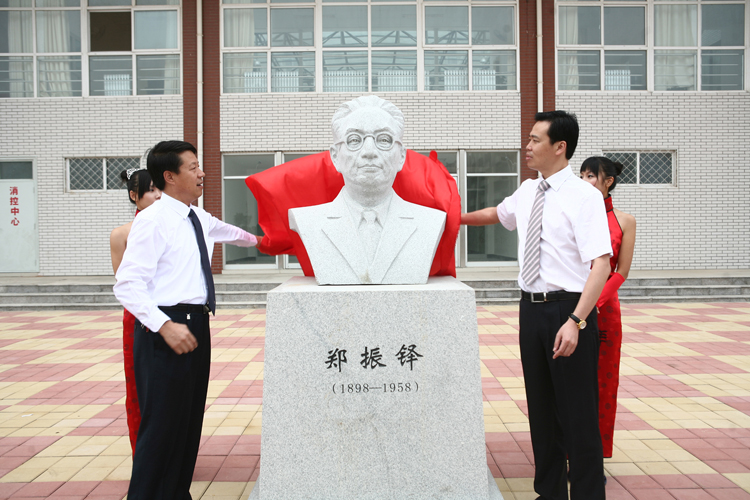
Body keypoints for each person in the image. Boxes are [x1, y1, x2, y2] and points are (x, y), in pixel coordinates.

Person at [461, 111, 612, 500]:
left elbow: (601, 265)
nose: (527, 146)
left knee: (578, 415)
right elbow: (497, 214)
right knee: (542, 413)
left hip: (569, 311)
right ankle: (549, 493)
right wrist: (451, 218)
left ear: (559, 147)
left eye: (534, 140)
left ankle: (588, 494)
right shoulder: (530, 190)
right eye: (528, 139)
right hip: (531, 310)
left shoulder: (585, 197)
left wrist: (576, 320)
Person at [113, 140, 260, 499]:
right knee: (161, 427)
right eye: (193, 167)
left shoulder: (196, 216)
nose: (202, 173)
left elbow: (237, 236)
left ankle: (175, 493)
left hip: (196, 325)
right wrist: (164, 325)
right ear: (169, 175)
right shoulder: (152, 221)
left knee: (188, 422)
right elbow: (127, 285)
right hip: (166, 329)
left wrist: (274, 240)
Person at [289, 96, 446, 285]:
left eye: (384, 139)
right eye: (354, 140)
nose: (369, 151)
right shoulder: (308, 220)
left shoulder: (430, 221)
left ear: (402, 156)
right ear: (335, 157)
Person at [580, 156, 636, 460]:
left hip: (604, 312)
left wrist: (596, 301)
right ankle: (568, 451)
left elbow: (621, 271)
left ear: (608, 182)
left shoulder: (625, 221)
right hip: (573, 306)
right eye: (582, 175)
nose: (584, 181)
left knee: (603, 383)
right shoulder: (576, 214)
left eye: (590, 176)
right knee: (574, 383)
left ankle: (595, 458)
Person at [109, 166, 161, 456]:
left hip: (173, 313)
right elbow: (124, 282)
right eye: (151, 190)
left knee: (168, 387)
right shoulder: (121, 234)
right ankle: (144, 455)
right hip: (139, 317)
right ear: (134, 195)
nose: (157, 195)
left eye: (159, 189)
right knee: (139, 387)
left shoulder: (172, 225)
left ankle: (171, 454)